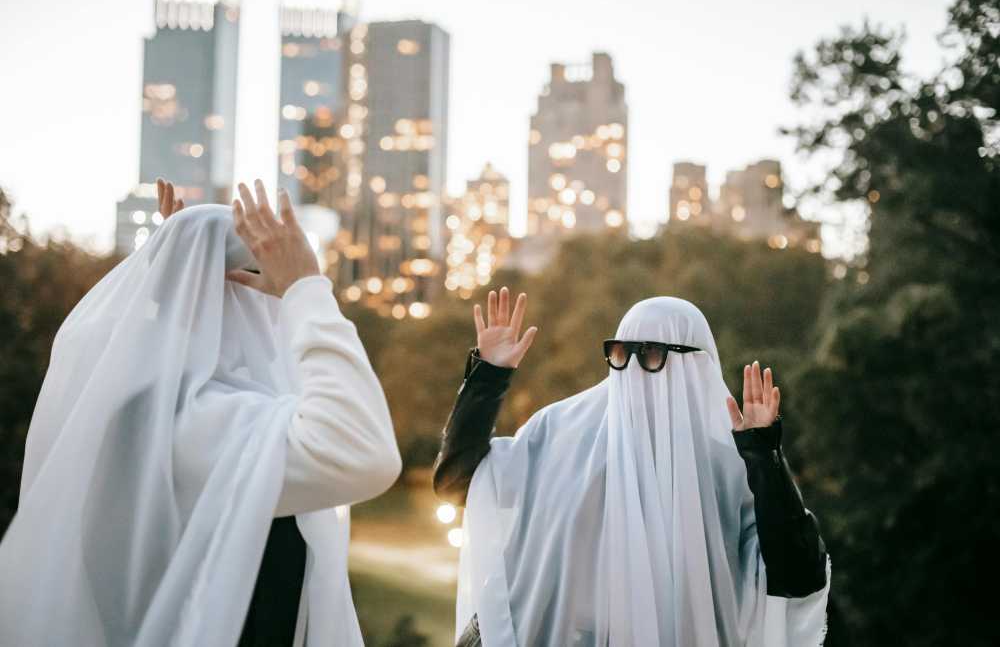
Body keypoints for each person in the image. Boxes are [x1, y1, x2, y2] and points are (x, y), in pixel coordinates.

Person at [0, 179, 401, 646]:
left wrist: (186, 265)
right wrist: (304, 289)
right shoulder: (192, 428)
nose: (272, 314)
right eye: (258, 289)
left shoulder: (136, 412)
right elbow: (365, 450)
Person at [434, 289, 830, 646]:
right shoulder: (559, 432)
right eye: (622, 352)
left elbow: (798, 576)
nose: (635, 369)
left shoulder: (730, 466)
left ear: (696, 365)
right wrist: (489, 376)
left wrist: (764, 456)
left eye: (652, 353)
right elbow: (458, 481)